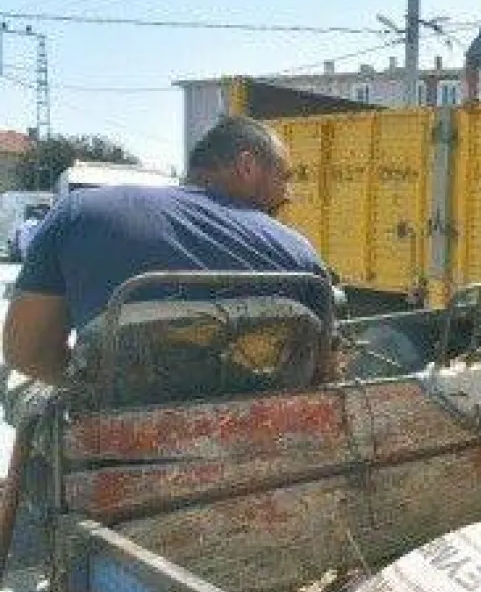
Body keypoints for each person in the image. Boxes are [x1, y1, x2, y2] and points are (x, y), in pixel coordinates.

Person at [2, 116, 332, 388]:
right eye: (283, 177)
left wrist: (97, 387)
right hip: (263, 439)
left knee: (30, 403)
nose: (288, 194)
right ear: (247, 166)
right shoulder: (300, 253)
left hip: (115, 443)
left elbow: (27, 353)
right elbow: (321, 375)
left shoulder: (78, 213)